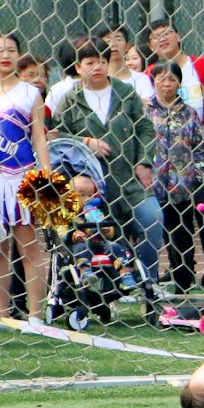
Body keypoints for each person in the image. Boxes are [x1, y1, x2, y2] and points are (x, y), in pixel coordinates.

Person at [51, 36, 159, 286]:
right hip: (90, 191)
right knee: (101, 235)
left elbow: (146, 129)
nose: (97, 67)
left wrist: (144, 162)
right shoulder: (70, 100)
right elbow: (57, 136)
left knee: (152, 217)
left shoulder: (126, 94)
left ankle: (149, 282)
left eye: (102, 61)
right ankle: (104, 284)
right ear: (78, 67)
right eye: (89, 62)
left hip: (129, 181)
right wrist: (85, 142)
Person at [0, 29, 52, 322]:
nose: (6, 55)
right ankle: (0, 316)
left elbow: (39, 137)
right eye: (0, 50)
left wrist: (45, 176)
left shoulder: (31, 94)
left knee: (29, 248)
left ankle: (35, 315)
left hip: (23, 178)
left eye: (11, 50)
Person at [147, 62, 204, 293]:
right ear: (153, 81)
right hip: (153, 184)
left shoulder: (189, 113)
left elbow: (203, 148)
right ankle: (165, 278)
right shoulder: (145, 111)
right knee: (162, 232)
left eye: (172, 79)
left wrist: (194, 174)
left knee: (183, 232)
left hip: (183, 186)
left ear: (179, 84)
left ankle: (187, 278)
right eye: (161, 78)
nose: (167, 84)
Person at [145, 19, 204, 157]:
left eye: (167, 33)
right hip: (161, 153)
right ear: (150, 46)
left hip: (202, 149)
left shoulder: (202, 66)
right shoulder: (148, 75)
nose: (162, 38)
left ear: (178, 36)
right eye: (156, 36)